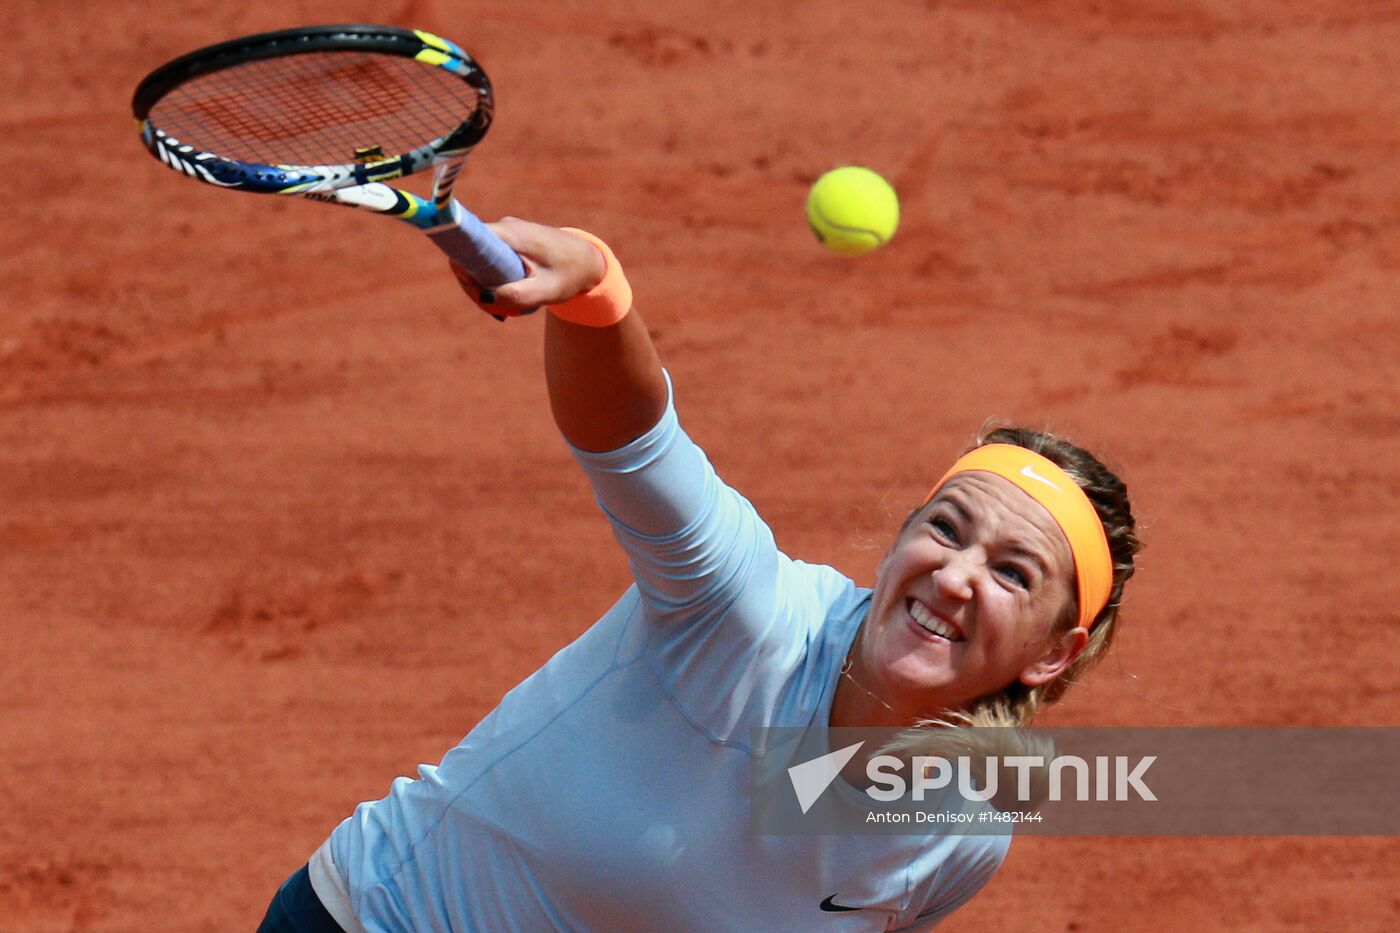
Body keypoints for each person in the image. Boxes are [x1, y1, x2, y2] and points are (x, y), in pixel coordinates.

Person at [257, 220, 1141, 932]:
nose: (955, 577)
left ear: (1051, 656)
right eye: (944, 530)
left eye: (1012, 573)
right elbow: (635, 445)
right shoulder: (746, 615)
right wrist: (599, 293)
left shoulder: (965, 831)